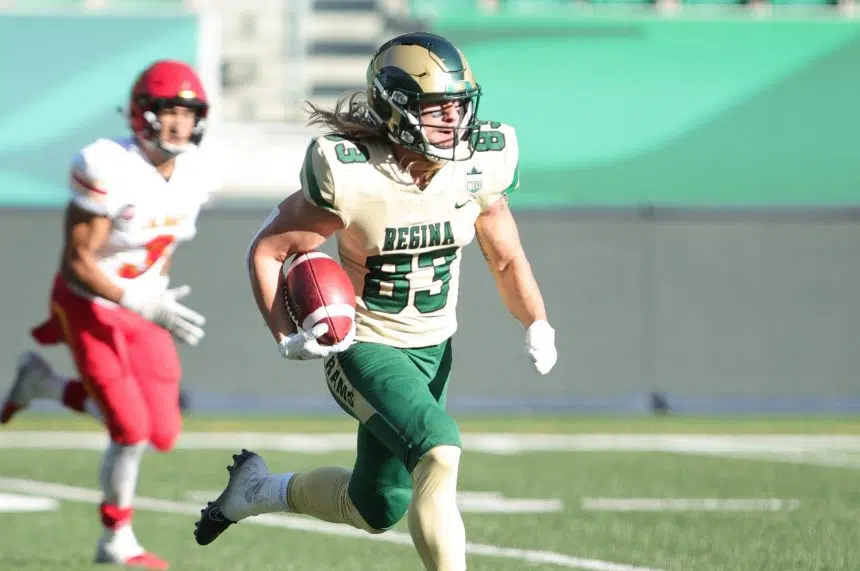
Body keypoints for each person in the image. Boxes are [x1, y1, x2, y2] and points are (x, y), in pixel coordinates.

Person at [193, 32, 557, 571]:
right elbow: (268, 250)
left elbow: (504, 257)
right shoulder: (355, 174)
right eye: (437, 110)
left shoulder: (476, 165)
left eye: (459, 107)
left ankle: (257, 490)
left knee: (377, 505)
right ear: (398, 109)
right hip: (365, 345)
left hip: (434, 349)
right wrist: (283, 333)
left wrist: (537, 322)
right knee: (438, 446)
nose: (453, 122)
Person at [1, 59, 216, 570]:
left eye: (187, 112)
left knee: (163, 431)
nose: (178, 122)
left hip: (141, 303)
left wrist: (155, 292)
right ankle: (115, 539)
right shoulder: (106, 165)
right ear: (141, 113)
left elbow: (163, 243)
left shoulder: (198, 173)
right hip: (88, 302)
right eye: (167, 110)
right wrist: (137, 299)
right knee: (130, 430)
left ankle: (45, 385)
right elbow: (77, 264)